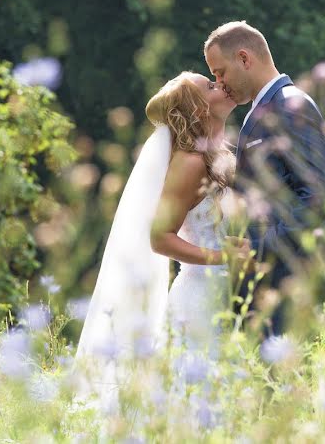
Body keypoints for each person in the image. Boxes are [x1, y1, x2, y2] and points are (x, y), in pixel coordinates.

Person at [73, 71, 249, 407]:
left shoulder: (218, 155)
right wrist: (220, 257)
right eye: (210, 87)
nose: (221, 85)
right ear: (198, 111)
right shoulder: (190, 163)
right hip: (199, 300)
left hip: (224, 294)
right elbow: (160, 239)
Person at [204, 21, 325, 336]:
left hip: (295, 284)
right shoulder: (260, 109)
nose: (219, 82)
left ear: (245, 59)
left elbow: (319, 194)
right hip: (269, 290)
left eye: (220, 71)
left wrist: (260, 250)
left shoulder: (292, 105)